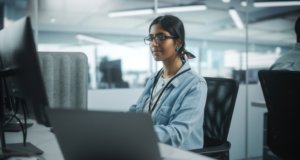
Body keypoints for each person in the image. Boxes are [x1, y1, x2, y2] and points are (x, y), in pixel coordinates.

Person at [129, 15, 207, 150]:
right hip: (151, 148)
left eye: (161, 37)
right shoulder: (154, 78)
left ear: (178, 43)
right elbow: (137, 111)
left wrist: (138, 133)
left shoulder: (195, 84)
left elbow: (177, 134)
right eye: (151, 38)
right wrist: (119, 125)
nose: (153, 43)